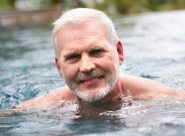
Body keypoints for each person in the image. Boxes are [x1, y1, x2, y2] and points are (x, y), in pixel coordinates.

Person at [15, 7, 185, 111]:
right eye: (73, 57)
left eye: (96, 51)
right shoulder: (40, 107)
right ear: (59, 67)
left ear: (119, 53)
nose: (86, 67)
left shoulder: (162, 98)